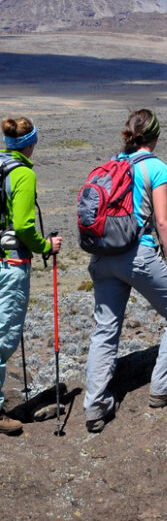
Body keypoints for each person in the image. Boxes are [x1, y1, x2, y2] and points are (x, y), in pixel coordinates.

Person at [84, 108, 167, 433]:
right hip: (137, 254)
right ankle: (165, 384)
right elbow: (162, 221)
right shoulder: (154, 167)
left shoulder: (113, 163)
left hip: (102, 257)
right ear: (155, 136)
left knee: (105, 331)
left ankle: (94, 407)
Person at [0, 117, 62, 435]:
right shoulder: (22, 174)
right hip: (10, 265)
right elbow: (24, 225)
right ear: (31, 143)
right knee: (4, 339)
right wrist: (45, 246)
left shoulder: (0, 165)